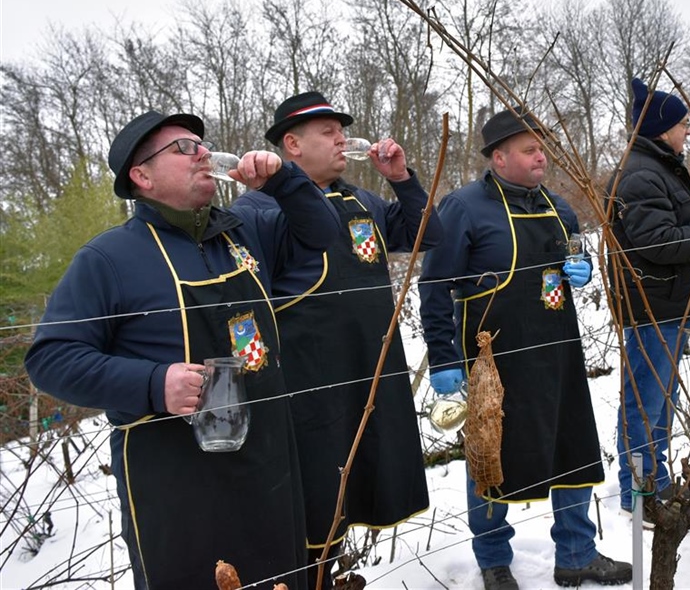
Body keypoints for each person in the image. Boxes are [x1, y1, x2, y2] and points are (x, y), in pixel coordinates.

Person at [25, 110, 343, 588]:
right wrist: (154, 383)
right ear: (142, 176)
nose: (202, 153)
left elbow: (323, 234)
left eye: (202, 143)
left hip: (269, 464)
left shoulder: (243, 231)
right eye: (183, 148)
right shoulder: (108, 259)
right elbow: (49, 359)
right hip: (178, 484)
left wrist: (286, 180)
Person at [233, 91, 441, 588]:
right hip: (311, 390)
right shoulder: (258, 210)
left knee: (361, 488)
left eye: (341, 130)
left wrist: (401, 181)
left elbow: (426, 236)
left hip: (371, 373)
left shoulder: (361, 200)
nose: (341, 139)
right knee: (314, 506)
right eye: (328, 132)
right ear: (292, 144)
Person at [419, 107, 632, 590]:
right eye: (530, 150)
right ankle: (494, 561)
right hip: (494, 363)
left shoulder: (560, 207)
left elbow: (574, 256)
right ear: (499, 157)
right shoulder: (463, 208)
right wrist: (444, 356)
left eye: (542, 148)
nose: (541, 157)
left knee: (573, 448)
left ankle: (576, 554)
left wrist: (583, 270)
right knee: (490, 456)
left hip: (558, 354)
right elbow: (434, 286)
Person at [607, 78, 690, 523]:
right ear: (662, 128)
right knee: (645, 403)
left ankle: (654, 483)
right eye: (682, 125)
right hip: (652, 308)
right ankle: (639, 494)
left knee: (661, 400)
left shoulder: (659, 167)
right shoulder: (641, 173)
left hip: (669, 305)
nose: (688, 133)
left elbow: (683, 217)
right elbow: (658, 241)